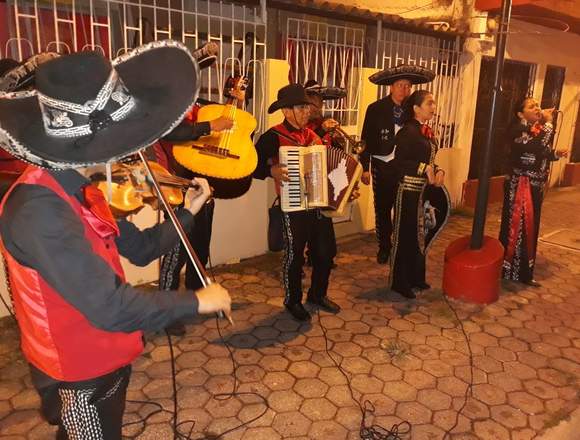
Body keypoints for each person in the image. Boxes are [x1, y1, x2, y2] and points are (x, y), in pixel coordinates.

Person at [0, 42, 232, 439]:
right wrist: (195, 301)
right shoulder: (39, 209)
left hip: (108, 355)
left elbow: (140, 249)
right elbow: (111, 307)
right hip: (76, 375)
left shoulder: (79, 188)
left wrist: (188, 212)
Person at [156, 88, 243, 336]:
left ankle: (196, 298)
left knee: (200, 248)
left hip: (201, 188)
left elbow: (224, 120)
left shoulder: (199, 108)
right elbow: (175, 132)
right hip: (174, 189)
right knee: (176, 255)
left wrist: (235, 100)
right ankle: (166, 311)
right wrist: (210, 125)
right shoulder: (166, 109)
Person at [253, 83, 340, 321]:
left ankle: (317, 295)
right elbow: (251, 165)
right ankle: (293, 301)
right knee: (294, 256)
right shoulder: (273, 136)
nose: (306, 112)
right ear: (286, 111)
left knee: (325, 253)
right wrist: (271, 171)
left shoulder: (314, 137)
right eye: (301, 108)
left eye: (307, 107)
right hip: (292, 207)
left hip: (318, 205)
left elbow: (329, 170)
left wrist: (343, 189)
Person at [361, 65, 435, 264]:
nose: (404, 89)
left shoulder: (412, 110)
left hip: (405, 169)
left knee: (402, 208)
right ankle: (384, 246)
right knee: (383, 209)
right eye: (400, 85)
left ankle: (401, 247)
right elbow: (365, 139)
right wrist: (365, 167)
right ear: (391, 87)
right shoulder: (376, 108)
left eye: (408, 86)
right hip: (382, 165)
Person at [499, 97, 567, 286]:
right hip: (522, 185)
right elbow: (535, 147)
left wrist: (554, 154)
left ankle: (523, 272)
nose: (537, 108)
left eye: (537, 105)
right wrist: (549, 123)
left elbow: (539, 151)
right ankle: (511, 271)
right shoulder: (517, 130)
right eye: (531, 106)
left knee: (530, 227)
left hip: (533, 186)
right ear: (520, 114)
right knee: (518, 227)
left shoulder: (533, 129)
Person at [389, 90, 445, 299]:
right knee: (406, 235)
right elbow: (399, 163)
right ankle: (400, 282)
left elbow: (428, 161)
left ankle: (415, 277)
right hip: (408, 191)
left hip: (422, 192)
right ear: (415, 108)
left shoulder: (424, 131)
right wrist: (424, 168)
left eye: (433, 103)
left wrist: (438, 170)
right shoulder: (407, 132)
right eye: (429, 103)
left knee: (420, 235)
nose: (433, 107)